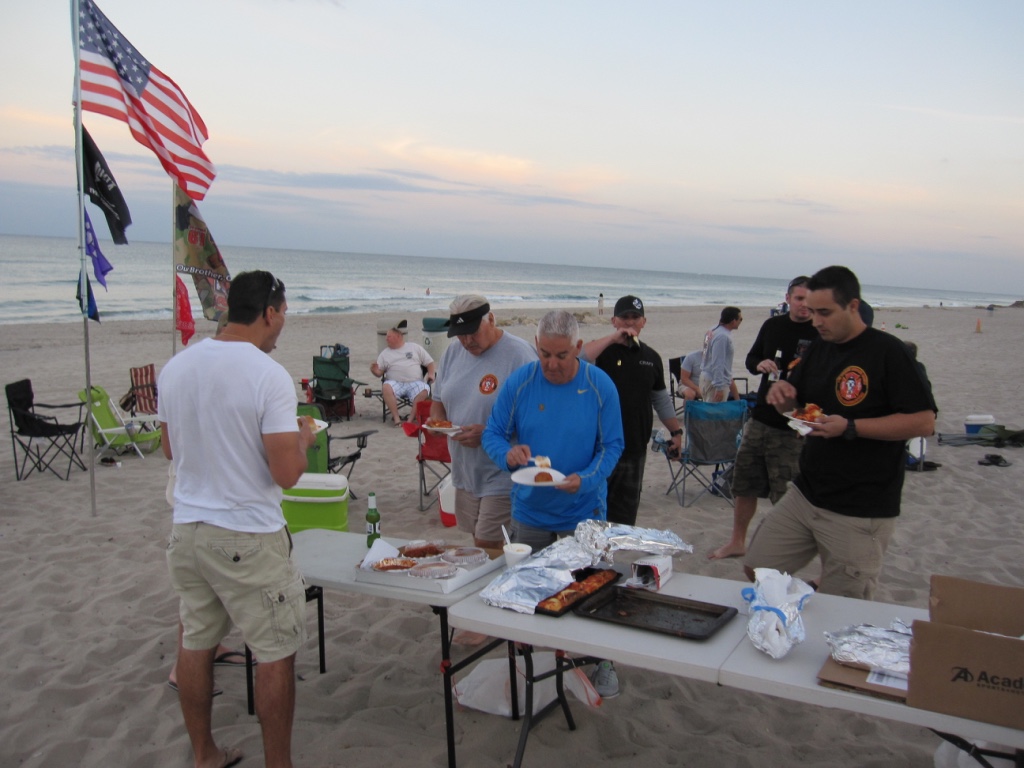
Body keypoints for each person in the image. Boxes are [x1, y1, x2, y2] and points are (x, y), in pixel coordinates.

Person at [159, 270, 315, 768]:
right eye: (284, 314)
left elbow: (169, 448)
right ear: (268, 312)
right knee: (275, 651)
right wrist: (303, 440)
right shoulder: (268, 375)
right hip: (247, 533)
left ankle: (204, 754)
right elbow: (286, 474)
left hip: (188, 530)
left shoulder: (178, 367)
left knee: (197, 641)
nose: (283, 324)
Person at [743, 266, 936, 599]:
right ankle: (809, 594)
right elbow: (805, 416)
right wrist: (785, 402)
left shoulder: (888, 352)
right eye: (812, 311)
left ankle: (821, 594)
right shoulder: (820, 348)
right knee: (758, 567)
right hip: (807, 491)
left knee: (844, 603)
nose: (816, 321)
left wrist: (851, 426)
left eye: (825, 312)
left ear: (852, 306)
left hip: (860, 505)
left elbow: (924, 422)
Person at [482, 310, 624, 698]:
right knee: (528, 590)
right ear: (536, 346)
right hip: (529, 510)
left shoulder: (599, 385)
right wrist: (507, 454)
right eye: (544, 354)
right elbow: (494, 434)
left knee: (591, 591)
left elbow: (612, 445)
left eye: (561, 355)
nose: (551, 364)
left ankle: (603, 661)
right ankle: (530, 663)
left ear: (578, 348)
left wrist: (587, 479)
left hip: (583, 509)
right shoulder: (522, 382)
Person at [709, 276, 818, 561]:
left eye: (809, 300)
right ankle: (737, 541)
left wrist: (806, 423)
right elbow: (750, 359)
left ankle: (784, 550)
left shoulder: (820, 332)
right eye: (799, 299)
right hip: (760, 418)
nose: (804, 305)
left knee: (785, 491)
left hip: (794, 424)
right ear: (788, 298)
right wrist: (760, 364)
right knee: (744, 482)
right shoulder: (773, 326)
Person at [431, 294, 536, 549]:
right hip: (464, 470)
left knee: (486, 545)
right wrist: (438, 422)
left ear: (491, 319)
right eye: (460, 334)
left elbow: (538, 418)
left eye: (472, 332)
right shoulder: (453, 352)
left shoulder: (520, 355)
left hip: (503, 472)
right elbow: (438, 400)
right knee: (477, 542)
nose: (467, 341)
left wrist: (488, 434)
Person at [581, 295, 681, 526]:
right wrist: (613, 338)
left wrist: (676, 433)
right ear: (614, 321)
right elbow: (578, 358)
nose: (630, 322)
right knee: (591, 515)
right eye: (624, 317)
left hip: (634, 448)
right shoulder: (601, 351)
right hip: (599, 448)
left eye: (635, 317)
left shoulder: (651, 358)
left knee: (624, 519)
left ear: (644, 321)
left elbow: (661, 399)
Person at [370, 322, 436, 426]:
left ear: (398, 336)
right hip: (395, 383)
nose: (386, 339)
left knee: (424, 389)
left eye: (389, 337)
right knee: (386, 387)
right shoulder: (385, 353)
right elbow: (379, 373)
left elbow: (430, 362)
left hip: (415, 382)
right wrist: (374, 370)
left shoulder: (414, 347)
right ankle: (397, 419)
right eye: (386, 337)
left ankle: (410, 419)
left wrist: (431, 374)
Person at [700, 307, 743, 402]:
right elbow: (718, 362)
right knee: (715, 410)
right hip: (714, 381)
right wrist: (719, 387)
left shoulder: (712, 330)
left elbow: (705, 353)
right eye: (740, 319)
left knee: (708, 408)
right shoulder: (722, 336)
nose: (741, 321)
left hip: (706, 376)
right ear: (733, 321)